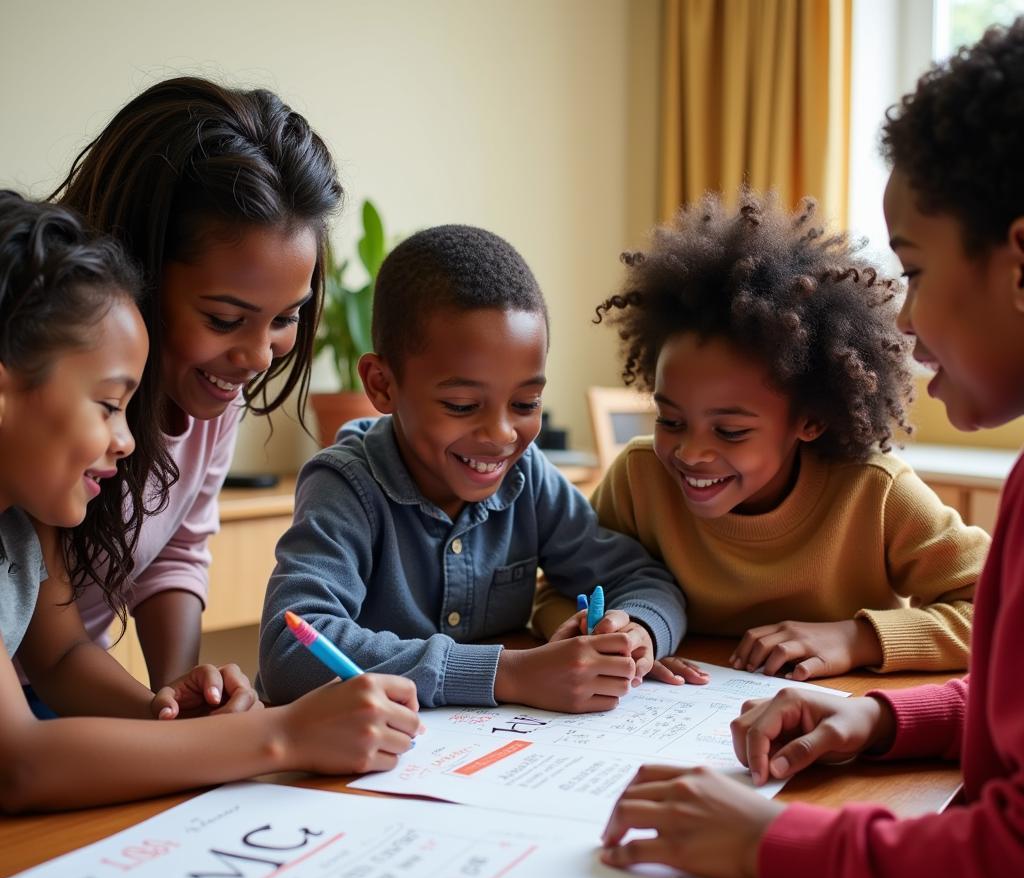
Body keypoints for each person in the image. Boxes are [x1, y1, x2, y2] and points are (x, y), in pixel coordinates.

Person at [600, 19, 1024, 878]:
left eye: (914, 270)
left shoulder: (881, 490)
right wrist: (880, 718)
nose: (906, 321)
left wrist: (765, 840)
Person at [0, 191, 421, 813]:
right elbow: (20, 765)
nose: (127, 439)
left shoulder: (17, 527)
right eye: (110, 404)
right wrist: (281, 735)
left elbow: (60, 655)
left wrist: (164, 713)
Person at [532, 190, 988, 680]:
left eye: (729, 431)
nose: (690, 452)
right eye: (670, 420)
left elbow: (993, 609)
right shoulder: (639, 477)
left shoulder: (876, 492)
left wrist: (858, 638)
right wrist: (603, 632)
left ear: (809, 420)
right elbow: (556, 589)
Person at [260, 224, 699, 714]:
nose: (502, 434)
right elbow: (291, 648)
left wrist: (636, 630)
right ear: (382, 385)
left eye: (526, 402)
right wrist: (505, 673)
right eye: (463, 405)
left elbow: (645, 579)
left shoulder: (526, 478)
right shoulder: (344, 485)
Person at [45, 76, 342, 698]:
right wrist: (177, 726)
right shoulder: (43, 414)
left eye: (285, 318)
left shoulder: (214, 383)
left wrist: (185, 693)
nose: (257, 356)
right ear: (137, 270)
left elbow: (177, 551)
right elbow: (54, 657)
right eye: (225, 320)